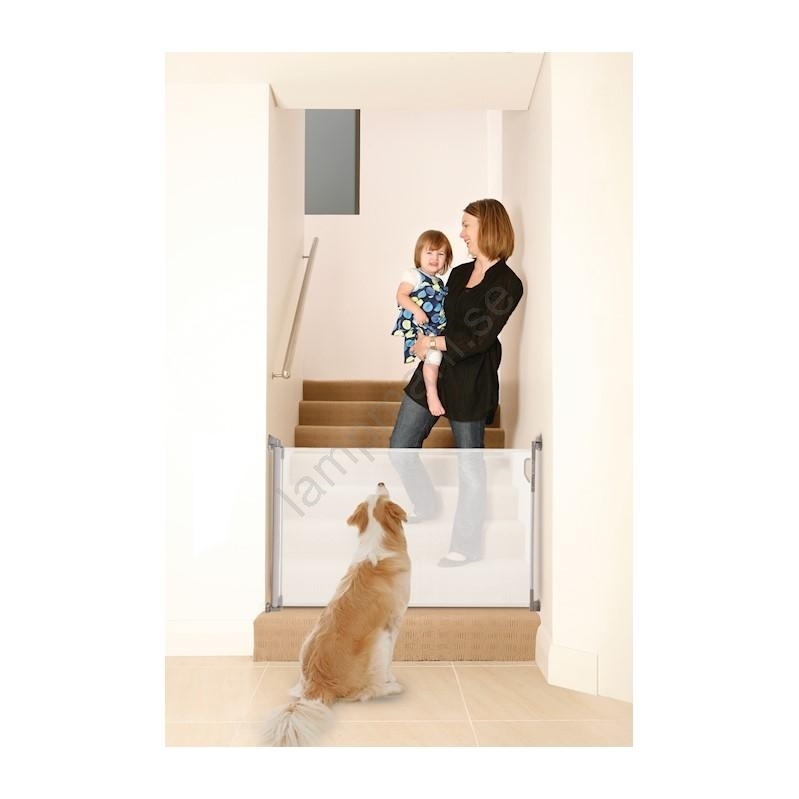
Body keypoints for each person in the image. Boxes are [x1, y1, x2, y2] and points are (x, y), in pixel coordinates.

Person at [389, 199, 524, 567]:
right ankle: (427, 503)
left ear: (488, 228)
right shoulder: (460, 272)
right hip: (435, 370)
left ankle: (465, 545)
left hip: (471, 381)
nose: (461, 234)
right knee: (400, 447)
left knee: (470, 466)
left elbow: (478, 338)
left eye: (467, 226)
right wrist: (419, 334)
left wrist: (432, 342)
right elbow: (439, 317)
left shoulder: (508, 284)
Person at [390, 230, 453, 416]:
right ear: (419, 254)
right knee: (435, 356)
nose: (435, 258)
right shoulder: (414, 275)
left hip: (432, 328)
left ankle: (434, 391)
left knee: (440, 356)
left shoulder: (439, 282)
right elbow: (401, 295)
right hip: (418, 326)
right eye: (429, 252)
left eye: (440, 254)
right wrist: (417, 311)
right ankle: (431, 394)